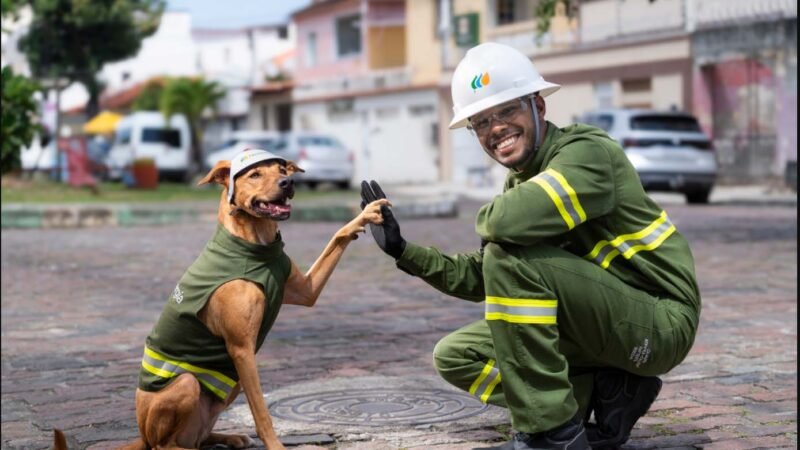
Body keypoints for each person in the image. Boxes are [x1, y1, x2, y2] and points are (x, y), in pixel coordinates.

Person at [359, 42, 700, 450]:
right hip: (598, 323)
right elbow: (487, 275)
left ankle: (552, 434)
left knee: (508, 257)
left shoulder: (587, 153)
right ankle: (603, 393)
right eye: (481, 122)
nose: (495, 128)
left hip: (660, 323)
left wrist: (490, 222)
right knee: (456, 355)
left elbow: (501, 227)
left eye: (506, 111)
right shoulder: (520, 183)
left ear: (538, 105)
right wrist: (404, 251)